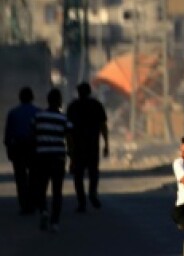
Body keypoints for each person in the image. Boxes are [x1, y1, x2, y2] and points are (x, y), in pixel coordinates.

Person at [32, 88, 72, 233]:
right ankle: (55, 222)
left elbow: (33, 135)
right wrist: (71, 157)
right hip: (58, 158)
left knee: (41, 188)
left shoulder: (38, 117)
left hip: (42, 157)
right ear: (59, 102)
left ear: (48, 101)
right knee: (57, 191)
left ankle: (43, 210)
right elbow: (69, 138)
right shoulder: (63, 119)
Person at [65, 82, 108, 212]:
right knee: (93, 172)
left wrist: (69, 147)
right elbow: (103, 126)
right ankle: (92, 193)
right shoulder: (96, 105)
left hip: (77, 147)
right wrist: (106, 144)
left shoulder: (73, 107)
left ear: (78, 92)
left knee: (78, 175)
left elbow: (68, 130)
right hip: (92, 145)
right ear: (90, 92)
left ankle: (82, 201)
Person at [4, 86, 40, 216]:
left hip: (18, 147)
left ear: (20, 98)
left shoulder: (13, 113)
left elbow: (8, 134)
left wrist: (9, 149)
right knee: (34, 176)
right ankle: (32, 201)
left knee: (20, 177)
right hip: (34, 147)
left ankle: (24, 204)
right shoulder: (38, 112)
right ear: (32, 98)